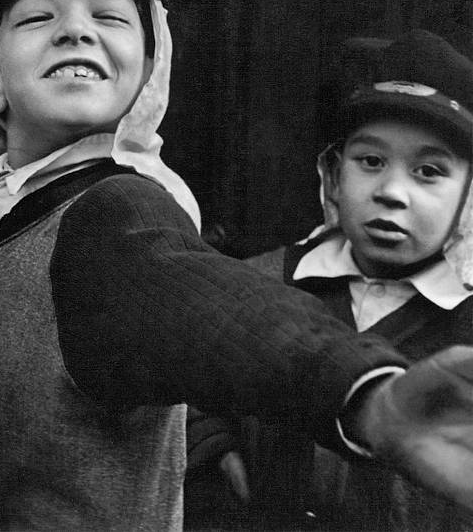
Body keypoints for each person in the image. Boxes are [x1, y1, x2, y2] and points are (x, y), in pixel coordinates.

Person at [0, 0, 473, 531]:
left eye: (109, 17)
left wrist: (367, 394)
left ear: (147, 74)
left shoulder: (114, 213)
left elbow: (225, 311)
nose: (75, 29)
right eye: (34, 19)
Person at [185, 29, 473, 531]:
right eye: (371, 161)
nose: (391, 192)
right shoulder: (259, 283)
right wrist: (210, 448)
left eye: (428, 171)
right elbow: (187, 379)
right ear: (334, 175)